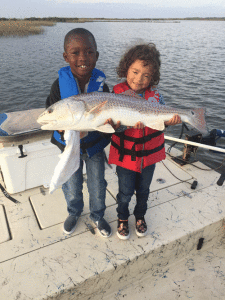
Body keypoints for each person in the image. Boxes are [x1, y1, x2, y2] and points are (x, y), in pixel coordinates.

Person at [107, 43, 181, 240]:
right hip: (126, 157)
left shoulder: (157, 97)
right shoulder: (116, 95)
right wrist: (125, 126)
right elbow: (115, 126)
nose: (139, 79)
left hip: (148, 158)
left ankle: (140, 216)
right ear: (126, 68)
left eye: (146, 75)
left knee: (144, 190)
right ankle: (123, 218)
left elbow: (161, 123)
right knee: (125, 192)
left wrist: (170, 122)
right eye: (135, 71)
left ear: (153, 77)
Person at [46, 28, 112, 237]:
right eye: (75, 52)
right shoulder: (59, 86)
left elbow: (109, 122)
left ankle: (98, 215)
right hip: (69, 147)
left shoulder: (103, 87)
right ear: (66, 57)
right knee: (71, 184)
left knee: (98, 184)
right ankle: (74, 212)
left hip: (94, 147)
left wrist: (112, 125)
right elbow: (51, 111)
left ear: (96, 55)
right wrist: (60, 127)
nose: (83, 58)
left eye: (89, 52)